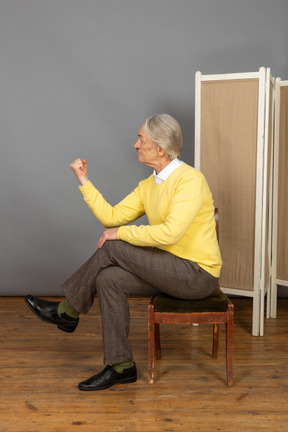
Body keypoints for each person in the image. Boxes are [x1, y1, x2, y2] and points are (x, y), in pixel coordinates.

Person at [25, 114, 222, 391]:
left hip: (196, 274)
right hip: (168, 267)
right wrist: (84, 180)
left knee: (114, 245)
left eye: (141, 139)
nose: (135, 144)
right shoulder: (149, 186)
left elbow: (171, 233)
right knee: (109, 280)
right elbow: (112, 217)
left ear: (160, 148)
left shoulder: (190, 180)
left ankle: (67, 311)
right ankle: (121, 366)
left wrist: (121, 234)